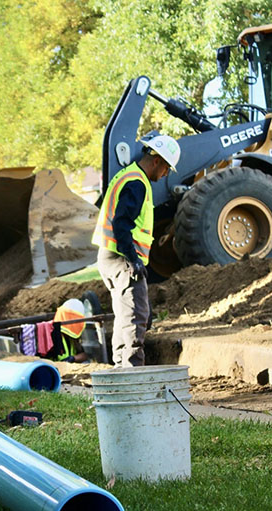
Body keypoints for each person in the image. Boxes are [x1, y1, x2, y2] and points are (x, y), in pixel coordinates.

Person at [92, 133, 180, 368]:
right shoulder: (136, 183)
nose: (165, 175)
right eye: (166, 169)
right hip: (122, 259)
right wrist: (133, 259)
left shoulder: (128, 176)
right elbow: (121, 224)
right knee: (135, 319)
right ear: (156, 161)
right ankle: (132, 373)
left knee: (126, 317)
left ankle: (122, 369)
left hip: (110, 256)